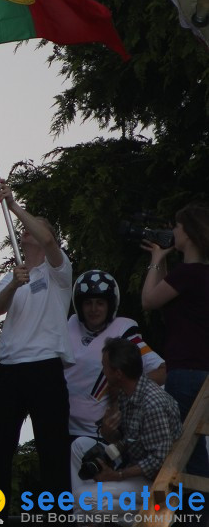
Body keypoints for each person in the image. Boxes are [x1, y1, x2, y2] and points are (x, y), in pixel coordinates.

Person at [0, 180, 74, 517]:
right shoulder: (16, 273)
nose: (27, 231)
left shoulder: (59, 271)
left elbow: (49, 238)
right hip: (10, 369)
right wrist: (14, 284)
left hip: (45, 367)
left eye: (33, 226)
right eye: (25, 227)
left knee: (52, 450)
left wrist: (14, 206)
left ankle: (58, 517)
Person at [70, 337, 182, 525]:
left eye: (104, 366)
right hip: (134, 469)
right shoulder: (126, 393)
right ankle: (88, 514)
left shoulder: (153, 404)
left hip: (156, 482)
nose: (102, 371)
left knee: (83, 500)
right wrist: (108, 433)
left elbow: (159, 461)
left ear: (118, 373)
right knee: (79, 445)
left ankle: (156, 515)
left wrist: (117, 476)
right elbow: (127, 440)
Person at [141, 202, 209, 479]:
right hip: (203, 372)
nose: (173, 231)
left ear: (190, 233)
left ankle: (197, 519)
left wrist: (156, 260)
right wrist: (164, 260)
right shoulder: (198, 275)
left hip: (184, 373)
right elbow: (167, 292)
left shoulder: (187, 274)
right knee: (195, 451)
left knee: (185, 457)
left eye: (178, 226)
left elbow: (148, 300)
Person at [66, 269, 165, 440]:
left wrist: (125, 386)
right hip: (62, 428)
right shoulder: (69, 326)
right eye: (88, 303)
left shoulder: (124, 332)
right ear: (79, 305)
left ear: (110, 305)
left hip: (97, 433)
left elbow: (163, 370)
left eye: (100, 303)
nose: (94, 309)